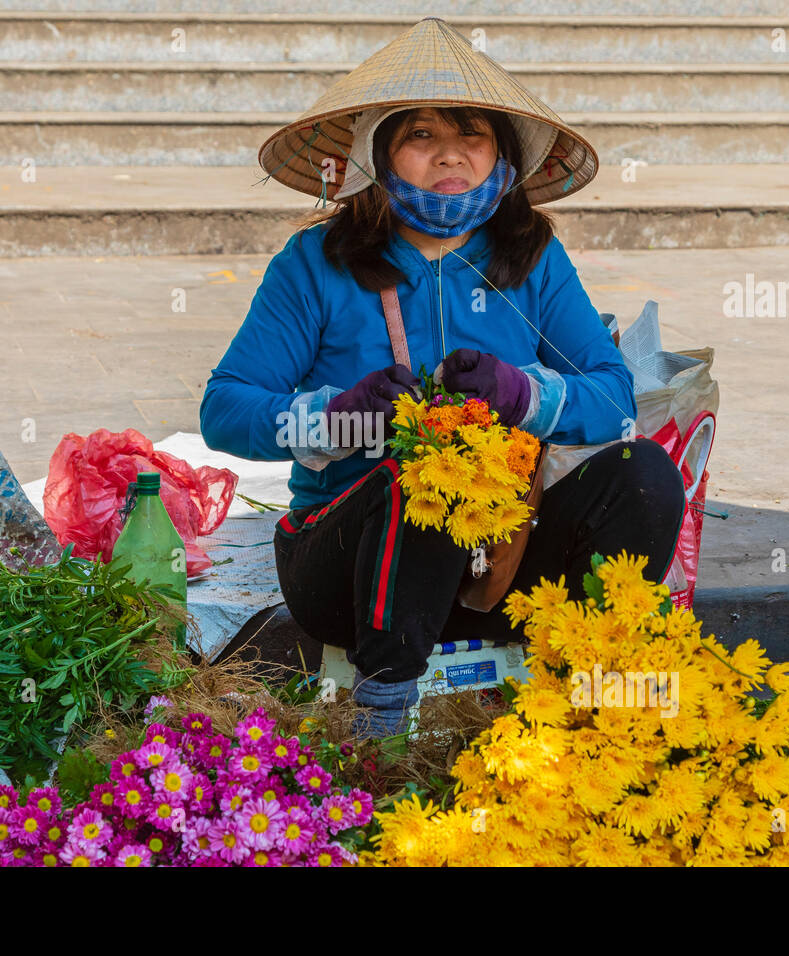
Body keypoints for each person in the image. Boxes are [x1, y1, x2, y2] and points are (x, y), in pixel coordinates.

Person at [201, 18, 686, 736]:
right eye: (421, 135)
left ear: (503, 158)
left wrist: (526, 394)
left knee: (642, 473)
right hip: (345, 570)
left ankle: (603, 703)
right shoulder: (314, 263)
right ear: (380, 153)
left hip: (499, 565)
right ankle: (383, 729)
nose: (450, 155)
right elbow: (225, 410)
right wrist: (339, 417)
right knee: (428, 474)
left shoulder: (533, 258)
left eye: (473, 134)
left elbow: (615, 401)